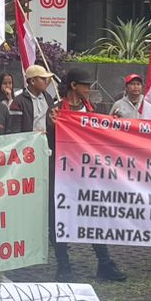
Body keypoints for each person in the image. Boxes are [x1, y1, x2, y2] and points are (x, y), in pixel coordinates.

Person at [49, 68, 126, 282]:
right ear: (73, 86)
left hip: (88, 176)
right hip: (63, 176)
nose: (89, 90)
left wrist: (112, 125)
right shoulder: (56, 111)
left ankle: (104, 263)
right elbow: (48, 142)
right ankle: (63, 265)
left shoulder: (93, 112)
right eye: (85, 85)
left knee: (94, 217)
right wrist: (52, 126)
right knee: (58, 219)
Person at [8, 64, 55, 134]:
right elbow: (14, 130)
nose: (46, 81)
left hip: (47, 142)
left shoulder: (48, 98)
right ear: (32, 81)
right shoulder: (19, 102)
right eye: (43, 79)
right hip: (29, 143)